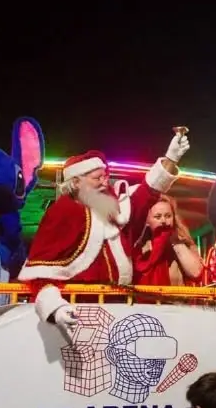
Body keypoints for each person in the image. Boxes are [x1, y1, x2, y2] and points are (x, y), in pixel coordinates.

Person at [19, 134, 189, 325]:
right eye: (96, 178)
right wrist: (56, 308)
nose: (104, 182)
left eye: (105, 176)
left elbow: (146, 193)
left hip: (119, 306)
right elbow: (41, 275)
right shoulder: (63, 213)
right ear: (76, 182)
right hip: (79, 309)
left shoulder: (113, 208)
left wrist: (171, 158)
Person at [133, 196, 203, 286]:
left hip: (178, 298)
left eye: (168, 216)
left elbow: (196, 273)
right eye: (158, 217)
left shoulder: (183, 241)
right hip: (150, 298)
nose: (163, 221)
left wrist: (176, 242)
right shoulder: (139, 246)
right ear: (147, 221)